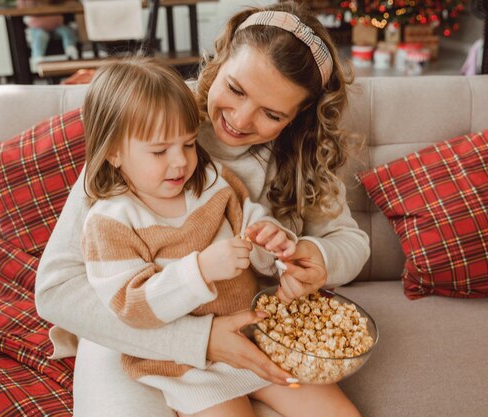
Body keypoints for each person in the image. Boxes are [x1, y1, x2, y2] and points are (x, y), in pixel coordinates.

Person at [36, 1, 369, 416]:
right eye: (235, 89)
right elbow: (56, 290)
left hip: (245, 322)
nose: (241, 120)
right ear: (221, 56)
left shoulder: (294, 157)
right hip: (134, 337)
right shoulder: (149, 121)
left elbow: (348, 242)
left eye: (271, 113)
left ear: (298, 113)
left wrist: (316, 256)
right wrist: (199, 338)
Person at [80, 58, 299, 415]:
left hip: (253, 339)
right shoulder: (111, 222)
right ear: (114, 152)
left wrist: (269, 241)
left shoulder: (213, 179)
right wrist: (199, 270)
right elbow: (131, 307)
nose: (180, 162)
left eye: (187, 144)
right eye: (159, 151)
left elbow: (248, 220)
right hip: (184, 365)